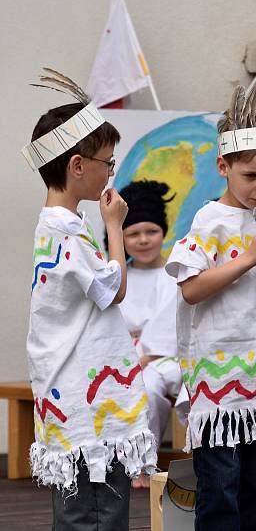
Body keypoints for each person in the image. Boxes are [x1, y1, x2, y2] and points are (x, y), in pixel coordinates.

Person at [165, 76, 256, 530]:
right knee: (220, 485)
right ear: (223, 167)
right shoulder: (209, 221)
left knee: (255, 485)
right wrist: (247, 258)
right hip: (218, 378)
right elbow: (191, 288)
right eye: (250, 176)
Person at [23, 69, 156, 530]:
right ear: (78, 166)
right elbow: (113, 288)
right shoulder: (65, 231)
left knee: (86, 508)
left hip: (74, 392)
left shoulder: (58, 227)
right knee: (95, 510)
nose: (109, 172)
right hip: (85, 398)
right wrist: (115, 225)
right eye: (108, 163)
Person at [116, 180, 187, 488]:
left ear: (163, 231)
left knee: (149, 383)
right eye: (132, 233)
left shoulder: (177, 272)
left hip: (168, 357)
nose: (143, 240)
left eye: (151, 231)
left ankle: (146, 460)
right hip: (123, 357)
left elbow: (173, 325)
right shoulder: (117, 275)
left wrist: (148, 352)